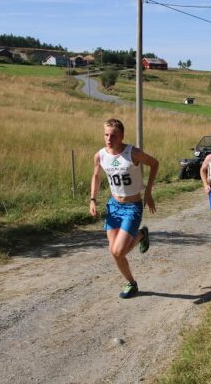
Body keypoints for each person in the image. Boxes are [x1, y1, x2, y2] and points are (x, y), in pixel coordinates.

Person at [89, 118, 159, 299]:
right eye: (106, 134)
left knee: (119, 251)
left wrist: (148, 193)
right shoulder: (100, 155)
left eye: (113, 135)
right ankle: (132, 283)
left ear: (122, 136)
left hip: (132, 207)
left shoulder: (132, 153)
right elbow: (96, 177)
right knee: (115, 252)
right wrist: (92, 199)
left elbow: (154, 163)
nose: (109, 139)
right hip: (114, 206)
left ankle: (142, 234)